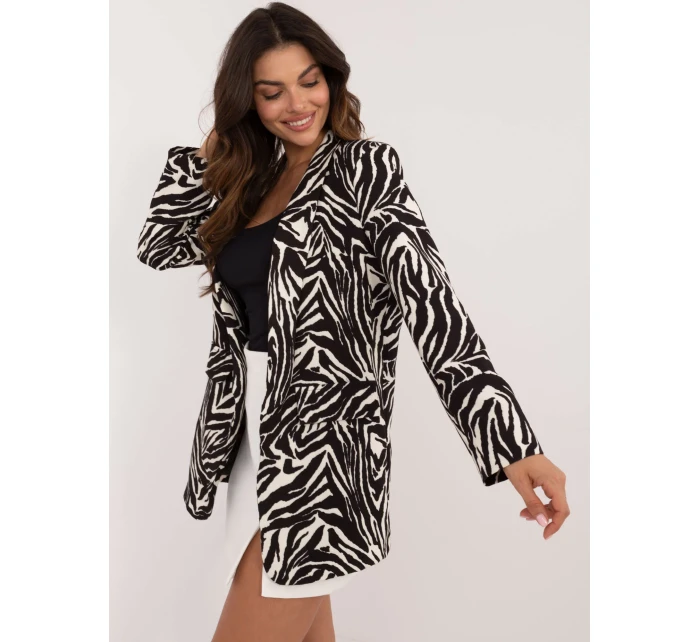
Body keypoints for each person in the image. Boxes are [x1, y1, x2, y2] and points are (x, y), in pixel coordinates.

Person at [138, 3, 570, 640]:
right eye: (271, 92)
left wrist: (511, 444)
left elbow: (433, 306)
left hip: (324, 452)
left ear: (332, 79)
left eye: (309, 81)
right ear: (245, 100)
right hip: (251, 433)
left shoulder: (365, 170)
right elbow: (160, 247)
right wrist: (216, 149)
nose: (297, 104)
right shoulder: (251, 179)